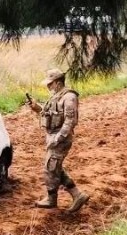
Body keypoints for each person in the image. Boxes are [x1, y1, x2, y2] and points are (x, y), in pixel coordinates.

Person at [27, 68, 90, 212]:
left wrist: (58, 138)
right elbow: (49, 113)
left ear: (58, 82)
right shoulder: (56, 96)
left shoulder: (69, 97)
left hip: (61, 139)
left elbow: (70, 121)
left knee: (51, 167)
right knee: (54, 167)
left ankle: (55, 198)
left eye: (50, 83)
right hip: (53, 136)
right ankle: (75, 195)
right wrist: (36, 107)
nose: (48, 86)